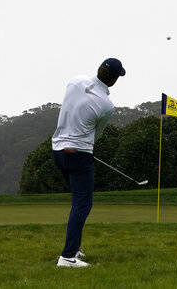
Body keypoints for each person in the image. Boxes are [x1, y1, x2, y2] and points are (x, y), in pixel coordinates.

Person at [50, 57, 126, 267]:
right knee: (82, 204)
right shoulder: (107, 105)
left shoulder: (75, 81)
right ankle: (67, 257)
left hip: (57, 149)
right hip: (79, 155)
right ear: (113, 80)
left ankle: (74, 248)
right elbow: (96, 135)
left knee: (78, 203)